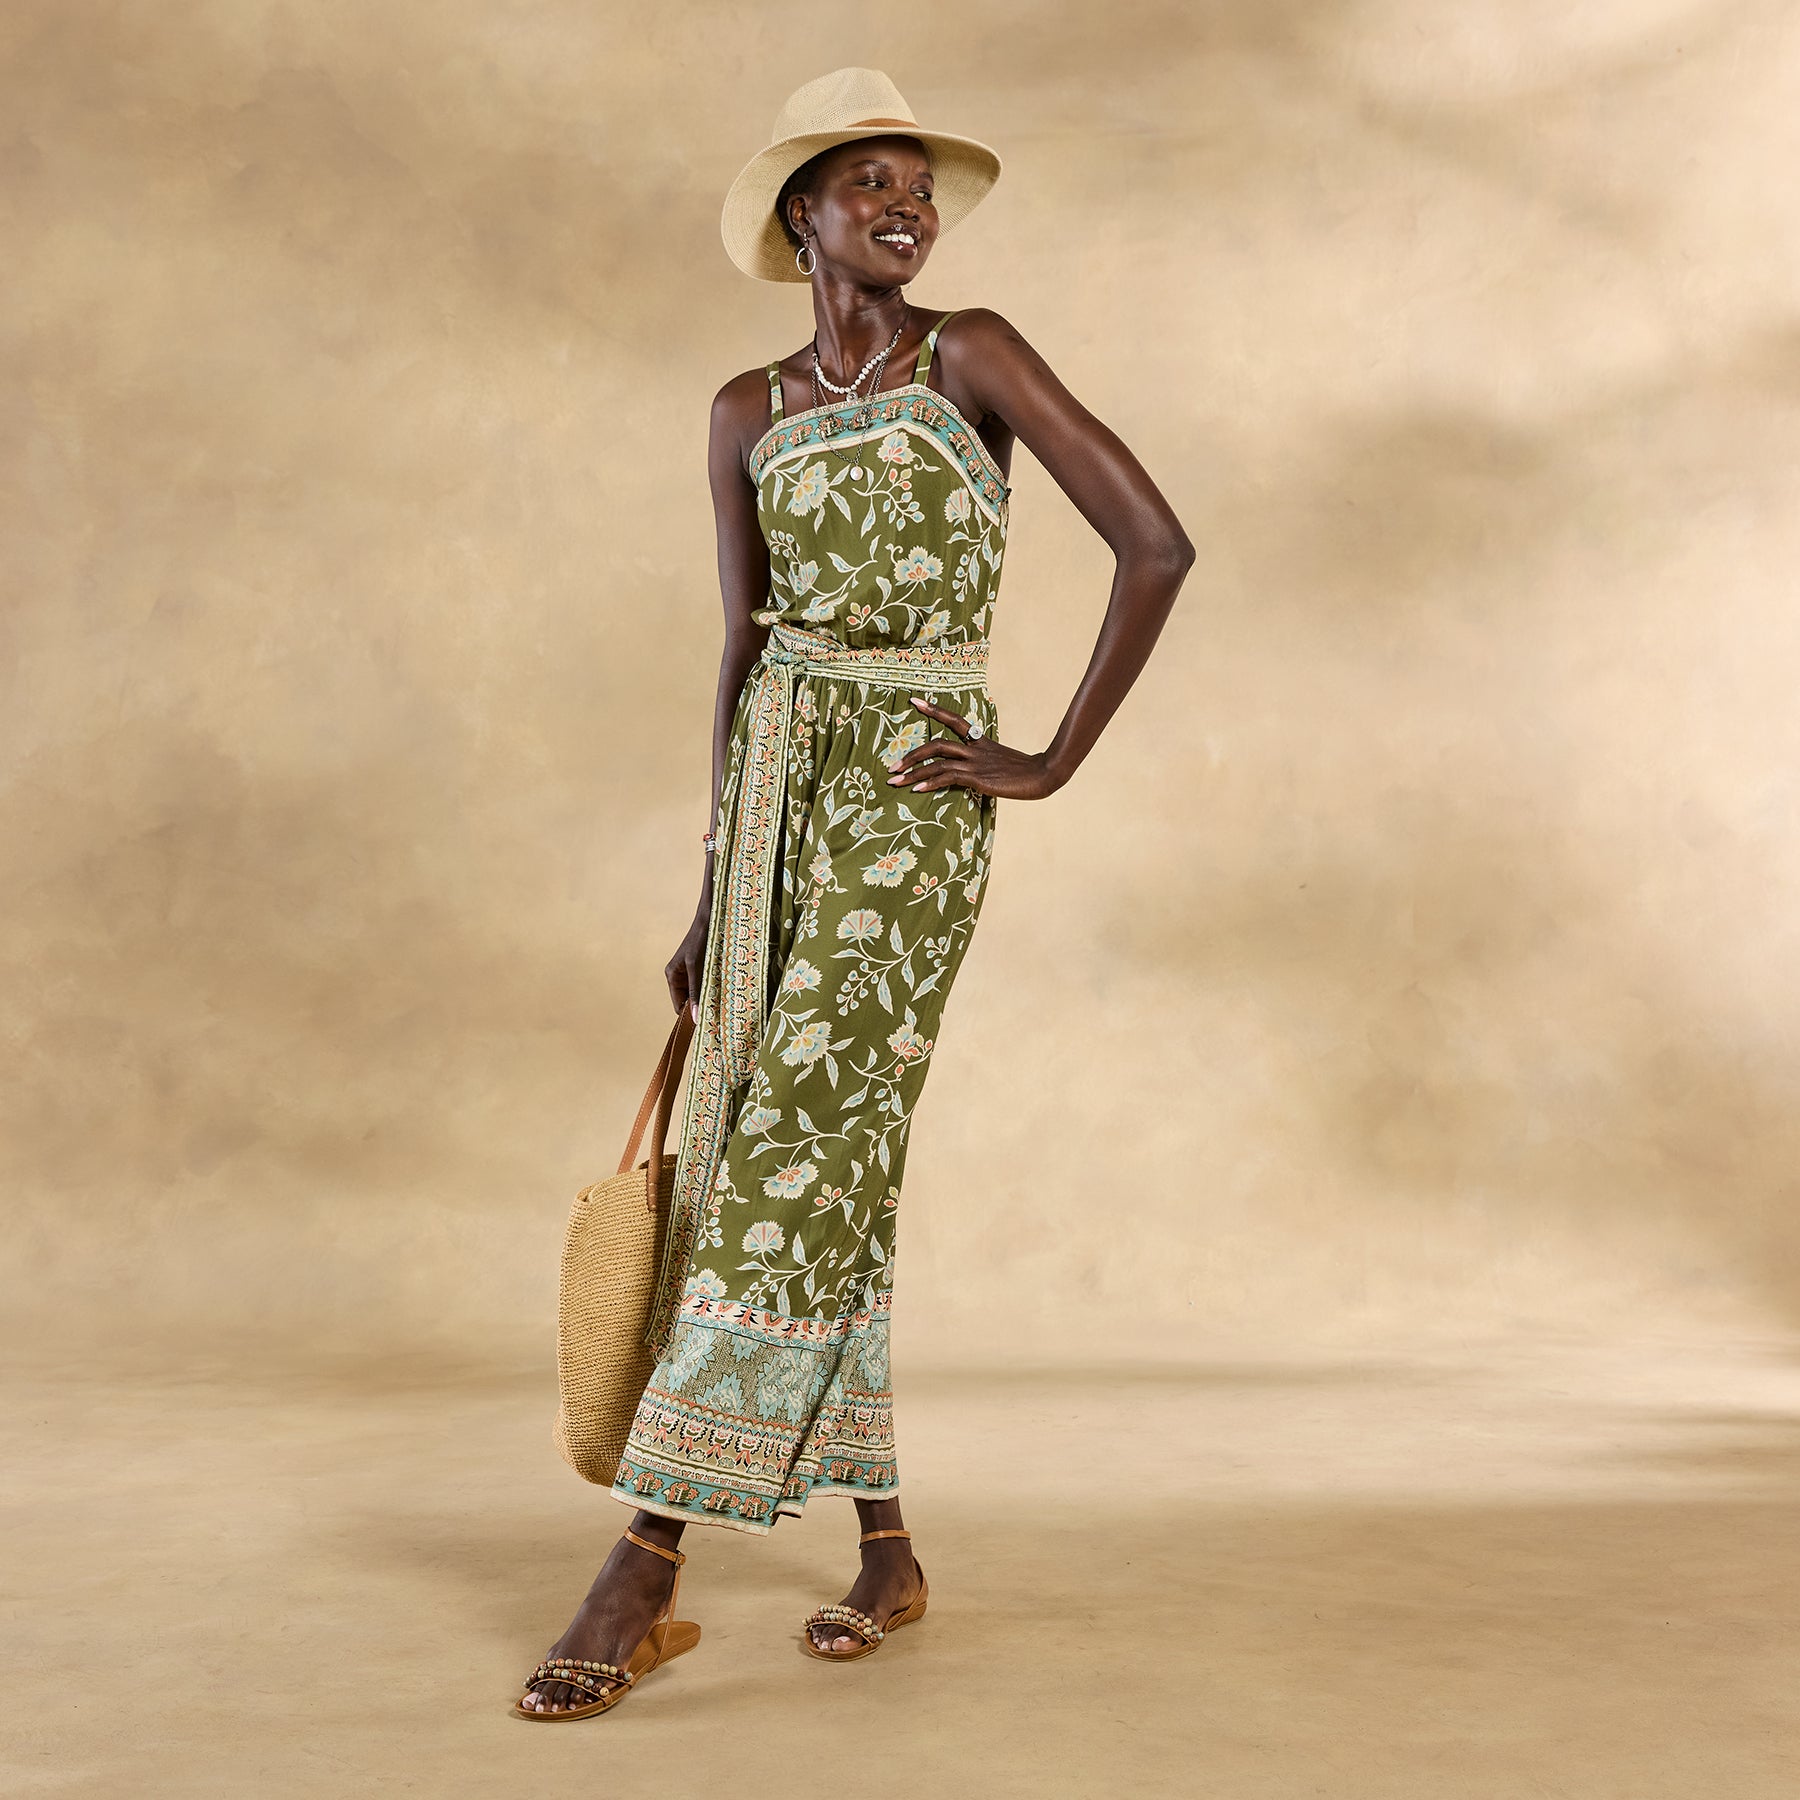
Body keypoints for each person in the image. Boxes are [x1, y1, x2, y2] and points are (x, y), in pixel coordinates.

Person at [515, 65, 1195, 1719]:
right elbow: (741, 651)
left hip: (907, 795)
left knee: (803, 1139)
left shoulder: (973, 355)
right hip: (770, 798)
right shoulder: (744, 409)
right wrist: (710, 889)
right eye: (871, 182)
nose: (907, 206)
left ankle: (645, 1561)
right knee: (798, 1155)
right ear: (801, 215)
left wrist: (1047, 759)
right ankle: (888, 1551)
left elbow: (1156, 544)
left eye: (920, 185)